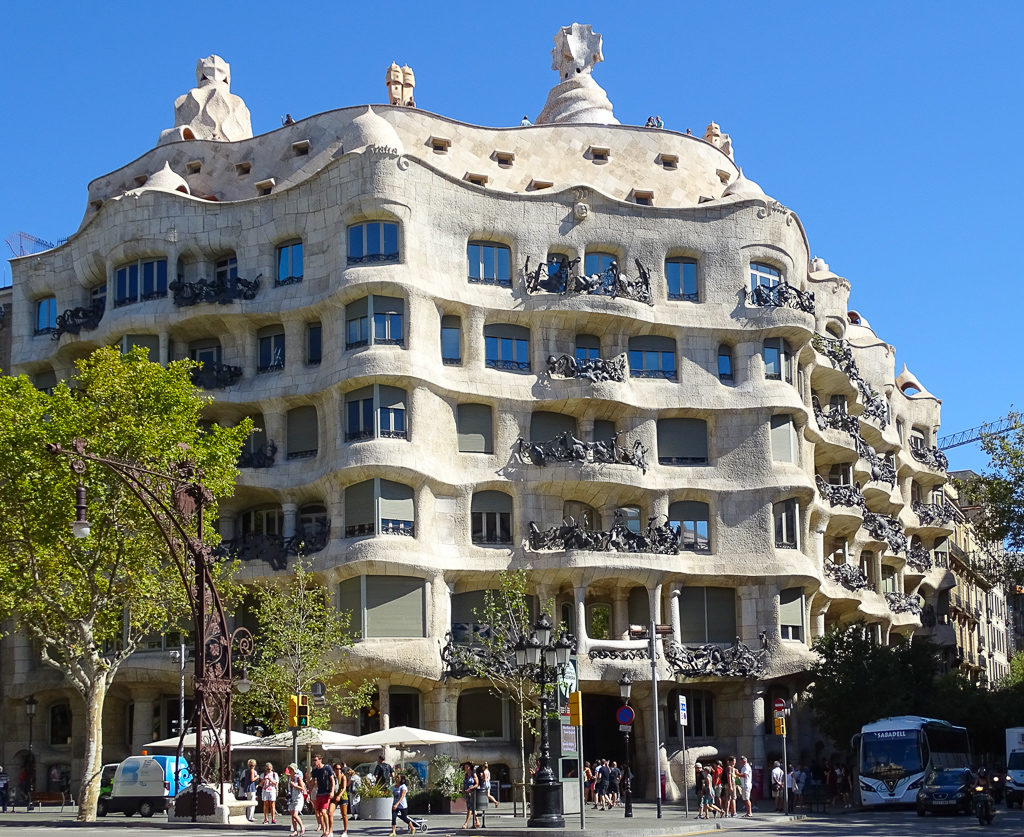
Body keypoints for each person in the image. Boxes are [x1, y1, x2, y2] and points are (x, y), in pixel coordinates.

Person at [310, 753, 336, 837]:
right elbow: (313, 782)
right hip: (319, 793)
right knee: (319, 812)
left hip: (326, 793)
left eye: (316, 760)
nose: (314, 762)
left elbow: (332, 780)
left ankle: (328, 830)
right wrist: (309, 792)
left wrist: (332, 791)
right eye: (313, 760)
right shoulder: (315, 770)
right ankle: (324, 830)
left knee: (324, 812)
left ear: (320, 760)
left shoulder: (327, 768)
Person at [285, 762, 307, 837]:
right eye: (289, 769)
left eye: (291, 769)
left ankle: (302, 827)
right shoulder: (290, 778)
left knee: (295, 815)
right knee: (292, 815)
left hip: (298, 798)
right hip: (292, 798)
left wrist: (294, 786)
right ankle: (295, 830)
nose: (289, 770)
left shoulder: (298, 778)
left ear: (294, 770)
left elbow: (302, 788)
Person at [330, 762, 349, 837]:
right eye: (337, 769)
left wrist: (339, 796)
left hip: (343, 797)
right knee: (330, 813)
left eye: (340, 769)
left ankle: (345, 831)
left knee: (344, 815)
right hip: (334, 797)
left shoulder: (343, 777)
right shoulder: (333, 777)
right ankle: (330, 831)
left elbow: (344, 788)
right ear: (334, 769)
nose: (338, 770)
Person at [462, 762, 480, 829]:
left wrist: (470, 789)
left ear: (470, 767)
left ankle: (466, 823)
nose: (465, 768)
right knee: (472, 808)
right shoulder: (466, 775)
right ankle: (477, 821)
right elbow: (465, 783)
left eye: (467, 767)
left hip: (472, 793)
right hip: (467, 793)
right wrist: (464, 790)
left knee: (470, 809)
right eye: (465, 767)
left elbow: (477, 784)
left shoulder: (473, 774)